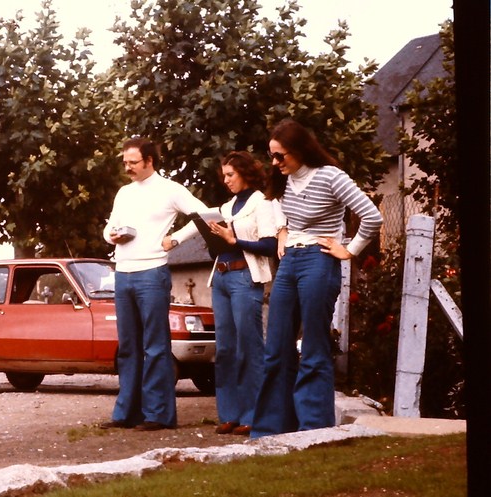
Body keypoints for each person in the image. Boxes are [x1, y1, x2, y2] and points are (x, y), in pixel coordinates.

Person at [251, 119, 383, 438]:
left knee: (313, 344)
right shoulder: (283, 181)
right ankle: (271, 429)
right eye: (271, 155)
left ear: (299, 150)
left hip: (319, 260)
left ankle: (313, 428)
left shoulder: (330, 176)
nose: (274, 162)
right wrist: (283, 232)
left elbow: (372, 216)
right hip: (289, 262)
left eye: (280, 155)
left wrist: (348, 250)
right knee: (276, 345)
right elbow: (277, 211)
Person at [100, 137, 208, 431]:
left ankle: (158, 414)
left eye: (133, 162)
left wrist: (177, 239)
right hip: (123, 271)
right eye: (125, 162)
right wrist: (111, 235)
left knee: (156, 345)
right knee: (127, 346)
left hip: (151, 271)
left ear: (149, 160)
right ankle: (126, 413)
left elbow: (206, 214)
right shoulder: (124, 192)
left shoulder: (170, 189)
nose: (128, 168)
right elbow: (109, 227)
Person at [206, 152, 278, 437]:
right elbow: (218, 247)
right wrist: (214, 237)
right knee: (225, 349)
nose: (226, 181)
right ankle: (229, 414)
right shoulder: (226, 207)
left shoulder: (263, 203)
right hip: (221, 277)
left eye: (230, 175)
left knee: (249, 345)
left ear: (245, 173)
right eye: (223, 176)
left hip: (245, 277)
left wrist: (234, 239)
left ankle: (254, 414)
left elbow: (269, 245)